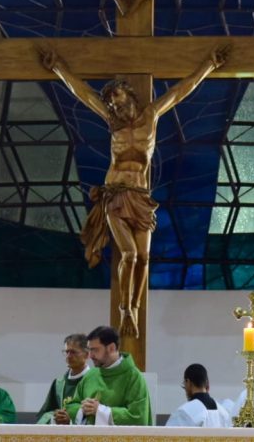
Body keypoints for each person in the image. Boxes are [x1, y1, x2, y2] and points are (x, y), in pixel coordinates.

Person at [40, 45, 229, 338]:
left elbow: (180, 91)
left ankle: (136, 306)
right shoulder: (112, 122)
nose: (114, 105)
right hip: (115, 195)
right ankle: (125, 308)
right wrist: (58, 69)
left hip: (140, 198)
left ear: (129, 95)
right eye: (111, 102)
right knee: (128, 254)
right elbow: (84, 94)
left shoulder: (151, 116)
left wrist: (208, 66)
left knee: (143, 257)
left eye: (117, 98)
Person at [66, 325, 151, 425]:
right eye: (90, 350)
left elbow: (138, 417)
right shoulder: (90, 375)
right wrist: (83, 409)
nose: (91, 355)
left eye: (95, 350)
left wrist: (100, 411)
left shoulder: (133, 377)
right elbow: (72, 406)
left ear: (111, 348)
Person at [36, 334, 104, 425]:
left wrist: (71, 421)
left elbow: (100, 416)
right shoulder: (59, 383)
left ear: (87, 355)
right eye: (66, 352)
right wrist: (55, 417)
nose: (68, 356)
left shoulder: (96, 381)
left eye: (73, 352)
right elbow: (44, 414)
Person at [165, 363, 232, 428]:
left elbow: (166, 437)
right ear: (206, 383)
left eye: (184, 384)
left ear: (188, 382)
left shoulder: (183, 413)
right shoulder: (224, 413)